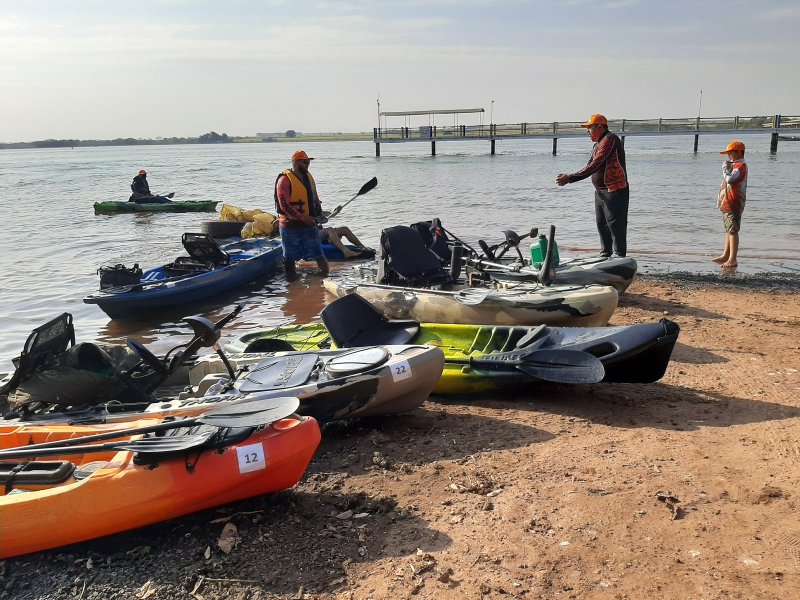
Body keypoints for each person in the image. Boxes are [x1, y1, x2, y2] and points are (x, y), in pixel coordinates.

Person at [556, 113, 629, 257]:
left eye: (590, 127)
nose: (587, 131)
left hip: (615, 190)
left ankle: (620, 257)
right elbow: (589, 165)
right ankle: (605, 254)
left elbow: (596, 165)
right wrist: (570, 176)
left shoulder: (610, 139)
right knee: (602, 225)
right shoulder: (597, 144)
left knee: (616, 226)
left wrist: (570, 178)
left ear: (600, 127)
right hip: (600, 192)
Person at [274, 150, 329, 276]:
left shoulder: (308, 177)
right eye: (304, 162)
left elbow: (314, 196)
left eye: (308, 162)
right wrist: (303, 218)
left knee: (319, 254)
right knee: (289, 258)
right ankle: (292, 284)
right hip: (290, 226)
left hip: (309, 225)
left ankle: (325, 277)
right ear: (295, 162)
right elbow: (285, 205)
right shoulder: (284, 180)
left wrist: (319, 212)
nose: (307, 164)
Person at [713, 141, 747, 269]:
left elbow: (730, 179)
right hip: (727, 202)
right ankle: (726, 255)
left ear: (739, 152)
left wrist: (725, 168)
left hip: (734, 202)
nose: (728, 156)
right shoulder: (734, 165)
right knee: (728, 230)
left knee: (732, 231)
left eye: (730, 153)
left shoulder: (741, 166)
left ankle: (732, 259)